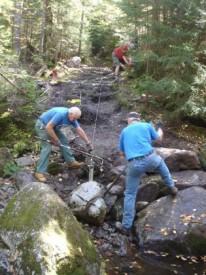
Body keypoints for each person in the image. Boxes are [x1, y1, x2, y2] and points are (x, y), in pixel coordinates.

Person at [117, 112, 178, 235]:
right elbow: (159, 139)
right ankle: (172, 187)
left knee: (130, 194)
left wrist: (130, 157)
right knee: (162, 167)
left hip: (134, 163)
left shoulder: (124, 131)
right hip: (150, 158)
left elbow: (121, 153)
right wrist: (160, 128)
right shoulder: (146, 125)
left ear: (129, 120)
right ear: (138, 119)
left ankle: (126, 227)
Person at [35, 106, 92, 182]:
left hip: (53, 127)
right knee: (47, 148)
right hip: (42, 126)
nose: (73, 120)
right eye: (73, 118)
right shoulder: (61, 114)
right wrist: (56, 140)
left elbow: (79, 130)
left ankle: (71, 162)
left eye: (75, 119)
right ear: (70, 113)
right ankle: (39, 172)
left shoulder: (73, 117)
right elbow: (48, 127)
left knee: (64, 140)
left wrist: (88, 142)